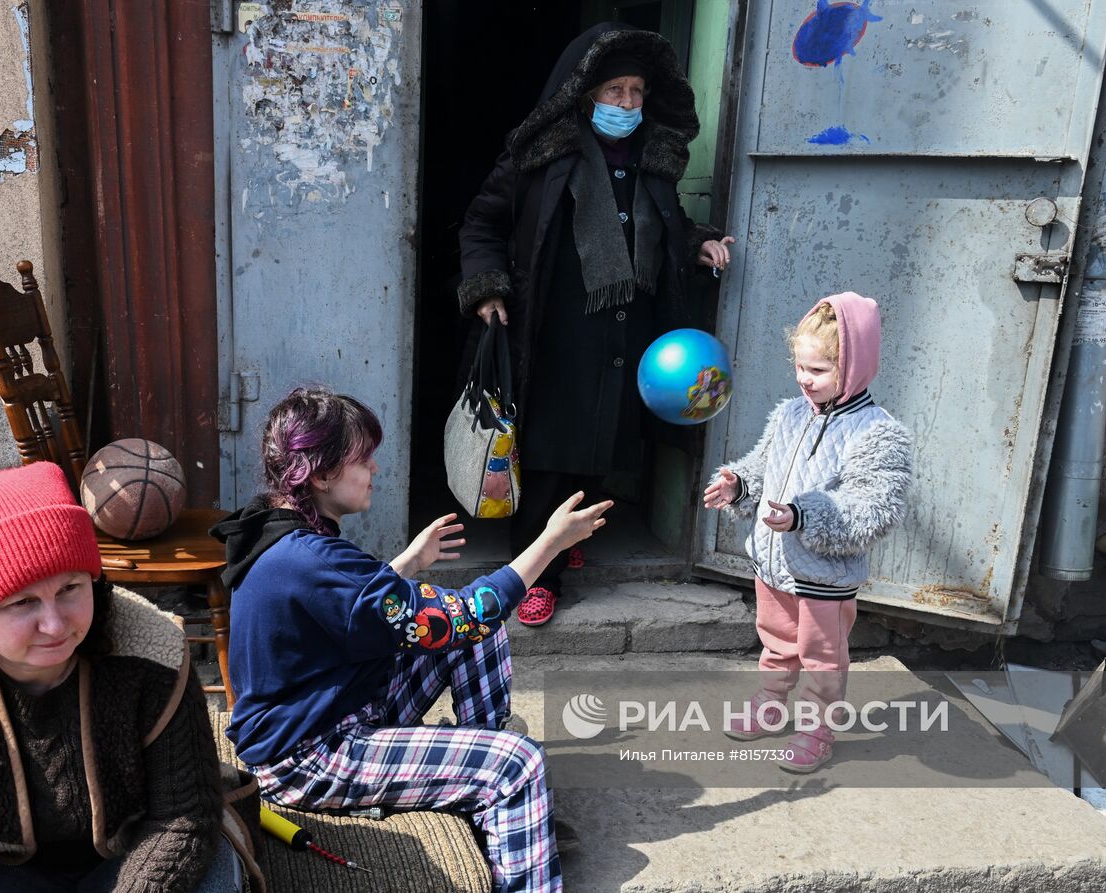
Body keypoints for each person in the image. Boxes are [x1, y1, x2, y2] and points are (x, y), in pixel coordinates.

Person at [211, 385, 611, 893]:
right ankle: (503, 793)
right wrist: (550, 543)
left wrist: (406, 565)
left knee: (466, 636)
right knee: (518, 760)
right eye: (364, 459)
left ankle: (485, 795)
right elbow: (458, 617)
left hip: (333, 706)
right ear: (322, 472)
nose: (375, 469)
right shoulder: (311, 560)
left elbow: (351, 609)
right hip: (309, 756)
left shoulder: (279, 533)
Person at [0, 461, 254, 893]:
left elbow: (184, 814)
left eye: (70, 589)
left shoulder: (153, 656)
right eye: (22, 603)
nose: (56, 625)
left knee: (214, 875)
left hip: (126, 854)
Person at [457, 22, 736, 626]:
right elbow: (481, 224)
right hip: (556, 327)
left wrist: (698, 244)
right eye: (615, 91)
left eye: (637, 91)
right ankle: (536, 573)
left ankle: (572, 534)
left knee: (601, 440)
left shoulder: (652, 158)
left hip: (625, 323)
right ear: (585, 94)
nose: (628, 104)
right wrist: (486, 289)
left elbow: (660, 226)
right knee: (551, 449)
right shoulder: (543, 155)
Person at [702, 293, 913, 773]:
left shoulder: (878, 434)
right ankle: (772, 699)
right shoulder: (790, 414)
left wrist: (804, 516)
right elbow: (764, 466)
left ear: (853, 367)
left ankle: (818, 725)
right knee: (775, 639)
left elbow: (874, 509)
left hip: (824, 577)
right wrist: (739, 485)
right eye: (799, 367)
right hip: (773, 564)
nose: (803, 379)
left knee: (822, 656)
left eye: (817, 371)